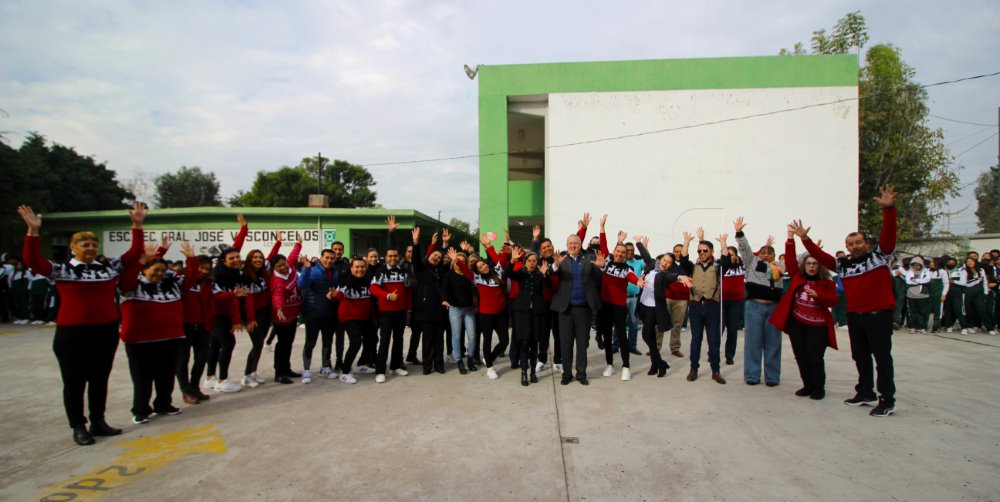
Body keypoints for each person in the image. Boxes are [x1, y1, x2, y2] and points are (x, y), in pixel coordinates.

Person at [18, 202, 145, 446]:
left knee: (100, 379)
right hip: (72, 333)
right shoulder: (61, 269)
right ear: (73, 248)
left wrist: (137, 226)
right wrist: (33, 231)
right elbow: (33, 260)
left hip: (105, 330)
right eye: (84, 244)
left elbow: (133, 254)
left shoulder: (108, 267)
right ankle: (78, 425)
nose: (90, 248)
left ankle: (98, 421)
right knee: (74, 381)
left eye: (93, 244)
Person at [793, 185, 899, 417]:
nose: (854, 246)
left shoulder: (881, 257)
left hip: (878, 314)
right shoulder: (844, 265)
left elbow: (889, 236)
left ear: (867, 243)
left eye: (858, 242)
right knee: (860, 356)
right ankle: (866, 392)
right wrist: (805, 239)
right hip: (855, 316)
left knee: (882, 358)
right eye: (850, 244)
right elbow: (821, 257)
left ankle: (887, 399)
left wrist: (889, 209)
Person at [118, 242, 191, 424]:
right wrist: (142, 260)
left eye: (163, 271)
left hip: (171, 337)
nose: (159, 274)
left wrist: (191, 260)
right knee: (142, 377)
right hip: (140, 341)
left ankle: (163, 404)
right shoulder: (132, 286)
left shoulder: (171, 285)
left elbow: (190, 279)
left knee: (166, 375)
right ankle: (140, 409)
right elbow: (127, 278)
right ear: (144, 270)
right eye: (155, 270)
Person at [769, 228, 839, 400]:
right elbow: (790, 260)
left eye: (815, 264)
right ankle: (807, 385)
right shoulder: (798, 277)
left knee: (815, 358)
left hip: (818, 326)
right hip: (798, 324)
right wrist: (790, 238)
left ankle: (818, 387)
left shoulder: (826, 283)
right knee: (801, 356)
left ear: (819, 266)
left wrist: (818, 295)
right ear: (804, 265)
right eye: (809, 264)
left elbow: (833, 301)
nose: (812, 266)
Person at [550, 214, 605, 386]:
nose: (573, 246)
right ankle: (567, 374)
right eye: (570, 244)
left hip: (584, 309)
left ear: (581, 245)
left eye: (576, 243)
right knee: (566, 343)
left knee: (582, 343)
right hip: (565, 309)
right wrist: (555, 265)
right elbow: (551, 274)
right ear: (566, 245)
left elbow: (599, 278)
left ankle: (581, 373)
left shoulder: (589, 259)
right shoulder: (561, 259)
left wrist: (601, 267)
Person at [732, 218, 784, 387]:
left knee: (773, 344)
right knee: (753, 343)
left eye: (770, 252)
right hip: (754, 306)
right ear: (758, 254)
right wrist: (739, 233)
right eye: (763, 252)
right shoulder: (752, 262)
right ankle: (752, 375)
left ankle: (772, 377)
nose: (766, 254)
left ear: (774, 256)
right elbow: (744, 248)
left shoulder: (780, 267)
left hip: (774, 308)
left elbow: (795, 260)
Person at [594, 214, 645, 381]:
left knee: (622, 336)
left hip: (619, 306)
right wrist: (602, 227)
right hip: (605, 305)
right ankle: (609, 364)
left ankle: (626, 366)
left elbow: (632, 277)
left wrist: (638, 281)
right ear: (614, 252)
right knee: (607, 335)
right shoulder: (607, 261)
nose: (620, 254)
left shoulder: (627, 269)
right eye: (618, 251)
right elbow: (603, 244)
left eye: (623, 252)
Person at [634, 236, 692, 377]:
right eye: (664, 260)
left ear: (671, 265)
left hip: (654, 309)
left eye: (669, 262)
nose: (665, 263)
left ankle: (660, 363)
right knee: (651, 336)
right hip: (643, 305)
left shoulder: (665, 275)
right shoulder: (651, 266)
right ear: (660, 260)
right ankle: (655, 365)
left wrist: (681, 277)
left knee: (646, 335)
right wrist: (639, 243)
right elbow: (645, 255)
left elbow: (673, 277)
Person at [456, 233, 510, 380]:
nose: (484, 266)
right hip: (486, 315)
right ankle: (490, 368)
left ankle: (489, 358)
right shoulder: (477, 278)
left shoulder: (497, 272)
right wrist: (458, 260)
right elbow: (466, 271)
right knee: (487, 340)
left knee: (504, 341)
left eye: (484, 264)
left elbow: (499, 259)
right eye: (480, 267)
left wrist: (489, 246)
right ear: (477, 270)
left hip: (501, 314)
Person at [204, 246, 253, 393]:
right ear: (223, 261)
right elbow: (218, 296)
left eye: (237, 257)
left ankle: (210, 377)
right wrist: (233, 295)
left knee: (215, 346)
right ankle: (223, 380)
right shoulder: (216, 276)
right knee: (228, 343)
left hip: (225, 315)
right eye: (231, 258)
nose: (236, 260)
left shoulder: (235, 274)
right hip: (216, 315)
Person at [369, 216, 412, 383]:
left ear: (399, 257)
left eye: (395, 256)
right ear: (385, 257)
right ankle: (380, 371)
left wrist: (408, 309)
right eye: (390, 256)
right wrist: (387, 296)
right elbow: (373, 288)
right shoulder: (380, 271)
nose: (393, 258)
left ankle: (395, 366)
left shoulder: (403, 271)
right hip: (386, 312)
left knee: (399, 340)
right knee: (385, 341)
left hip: (401, 312)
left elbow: (408, 291)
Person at [505, 246, 553, 386]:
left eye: (534, 261)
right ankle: (524, 372)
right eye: (529, 260)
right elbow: (508, 273)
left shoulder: (540, 273)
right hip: (522, 312)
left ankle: (533, 372)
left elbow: (548, 286)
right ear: (525, 262)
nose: (532, 263)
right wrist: (512, 261)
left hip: (537, 312)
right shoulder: (521, 273)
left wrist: (545, 274)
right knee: (524, 342)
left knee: (534, 343)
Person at [685, 229, 726, 385]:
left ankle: (716, 371)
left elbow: (727, 260)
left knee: (713, 341)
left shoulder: (718, 267)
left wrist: (723, 243)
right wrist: (687, 242)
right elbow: (683, 259)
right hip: (695, 305)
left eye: (705, 250)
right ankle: (693, 369)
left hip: (712, 307)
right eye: (699, 251)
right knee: (696, 340)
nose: (702, 253)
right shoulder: (692, 266)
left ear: (711, 251)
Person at [327, 256, 374, 383]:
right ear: (351, 268)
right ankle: (345, 372)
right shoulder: (345, 281)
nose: (360, 269)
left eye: (362, 267)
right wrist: (333, 296)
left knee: (372, 339)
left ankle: (360, 365)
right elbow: (339, 294)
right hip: (349, 317)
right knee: (356, 342)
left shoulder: (369, 280)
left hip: (365, 317)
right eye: (357, 267)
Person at [298, 247, 340, 383]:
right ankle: (306, 370)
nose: (329, 260)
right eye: (327, 257)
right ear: (321, 258)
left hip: (329, 314)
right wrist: (306, 268)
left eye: (332, 258)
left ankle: (325, 367)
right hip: (313, 313)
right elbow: (302, 285)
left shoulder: (335, 273)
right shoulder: (312, 271)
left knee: (327, 342)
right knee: (310, 342)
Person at [410, 227, 449, 375]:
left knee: (439, 340)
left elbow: (445, 258)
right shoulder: (421, 269)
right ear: (429, 256)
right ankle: (427, 366)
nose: (437, 258)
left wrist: (445, 245)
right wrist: (416, 242)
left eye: (439, 257)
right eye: (434, 255)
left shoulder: (440, 271)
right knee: (427, 340)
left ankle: (439, 365)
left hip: (439, 311)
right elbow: (415, 258)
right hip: (425, 311)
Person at [268, 235, 304, 384]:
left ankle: (287, 368)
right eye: (279, 267)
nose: (283, 268)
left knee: (289, 343)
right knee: (282, 344)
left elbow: (293, 255)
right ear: (274, 268)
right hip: (282, 317)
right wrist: (279, 308)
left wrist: (298, 244)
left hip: (293, 314)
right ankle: (279, 372)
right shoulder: (277, 281)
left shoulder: (290, 266)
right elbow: (278, 296)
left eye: (284, 264)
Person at [443, 247, 476, 374]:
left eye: (462, 261)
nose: (459, 262)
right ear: (453, 262)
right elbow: (444, 289)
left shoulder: (469, 275)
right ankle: (459, 360)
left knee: (472, 337)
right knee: (456, 336)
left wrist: (458, 260)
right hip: (455, 310)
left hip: (469, 310)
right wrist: (444, 300)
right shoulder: (449, 275)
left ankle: (470, 359)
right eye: (457, 260)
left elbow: (470, 276)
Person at [719, 243, 745, 366]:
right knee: (719, 329)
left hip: (736, 302)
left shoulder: (742, 267)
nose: (730, 257)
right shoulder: (721, 267)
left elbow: (753, 257)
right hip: (721, 301)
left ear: (736, 256)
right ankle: (713, 352)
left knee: (732, 330)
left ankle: (729, 355)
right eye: (727, 255)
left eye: (732, 255)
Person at [955, 257, 996, 335]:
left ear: (975, 262)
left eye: (972, 261)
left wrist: (985, 292)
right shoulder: (964, 271)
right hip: (968, 292)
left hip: (979, 293)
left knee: (982, 310)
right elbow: (965, 283)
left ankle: (990, 328)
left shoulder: (981, 270)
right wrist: (977, 280)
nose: (970, 263)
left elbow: (984, 281)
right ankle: (969, 326)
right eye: (968, 262)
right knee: (968, 310)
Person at [903, 257, 932, 334]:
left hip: (922, 295)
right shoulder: (909, 272)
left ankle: (921, 327)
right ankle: (913, 327)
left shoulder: (926, 271)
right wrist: (920, 281)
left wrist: (915, 280)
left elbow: (927, 280)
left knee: (922, 312)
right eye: (914, 265)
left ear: (921, 265)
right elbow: (908, 281)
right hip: (911, 295)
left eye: (918, 265)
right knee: (912, 311)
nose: (916, 266)